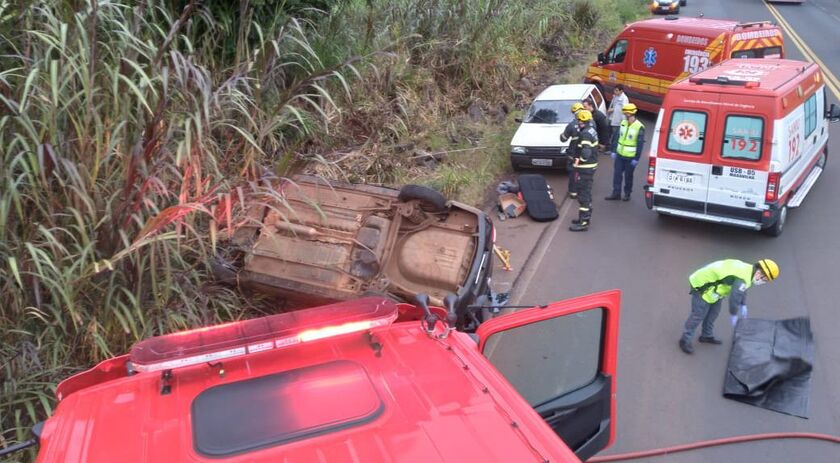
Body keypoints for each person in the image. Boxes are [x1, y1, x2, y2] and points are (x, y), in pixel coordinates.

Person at [679, 258, 780, 354]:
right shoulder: (743, 277)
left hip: (715, 289)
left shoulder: (749, 271)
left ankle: (706, 335)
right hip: (702, 285)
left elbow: (742, 289)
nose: (764, 282)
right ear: (759, 273)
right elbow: (734, 297)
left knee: (713, 313)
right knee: (698, 315)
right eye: (765, 279)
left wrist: (743, 304)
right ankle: (684, 340)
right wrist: (734, 314)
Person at [606, 103, 644, 201]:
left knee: (628, 176)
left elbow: (640, 144)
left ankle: (627, 194)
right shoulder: (623, 123)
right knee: (617, 175)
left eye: (626, 113)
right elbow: (617, 137)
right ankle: (616, 193)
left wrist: (636, 158)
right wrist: (613, 150)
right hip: (619, 155)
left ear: (631, 113)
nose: (625, 114)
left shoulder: (639, 127)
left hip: (630, 157)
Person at [569, 110, 599, 232]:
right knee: (586, 194)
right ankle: (583, 218)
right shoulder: (591, 130)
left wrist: (578, 161)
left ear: (582, 121)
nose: (578, 123)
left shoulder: (585, 134)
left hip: (585, 169)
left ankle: (584, 222)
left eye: (579, 121)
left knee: (583, 195)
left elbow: (586, 152)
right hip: (590, 167)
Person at [560, 102, 585, 199]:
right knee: (584, 172)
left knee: (573, 173)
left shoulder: (572, 125)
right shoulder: (591, 122)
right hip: (586, 154)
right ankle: (582, 190)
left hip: (574, 154)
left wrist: (561, 135)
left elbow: (563, 138)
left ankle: (573, 192)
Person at [606, 85, 629, 149]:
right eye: (614, 90)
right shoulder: (615, 96)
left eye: (616, 90)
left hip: (617, 120)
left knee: (615, 136)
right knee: (608, 133)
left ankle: (612, 148)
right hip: (611, 118)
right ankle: (607, 146)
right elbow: (613, 105)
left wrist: (623, 121)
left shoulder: (624, 99)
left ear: (621, 91)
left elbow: (624, 110)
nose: (614, 92)